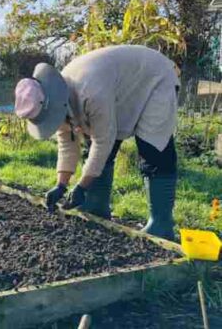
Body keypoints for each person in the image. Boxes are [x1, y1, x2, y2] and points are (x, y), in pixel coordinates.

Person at [14, 45, 180, 241]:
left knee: (153, 151)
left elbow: (103, 141)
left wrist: (82, 186)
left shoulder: (90, 92)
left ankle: (161, 224)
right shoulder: (55, 93)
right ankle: (97, 207)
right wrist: (61, 184)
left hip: (154, 79)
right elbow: (67, 141)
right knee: (98, 151)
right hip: (120, 88)